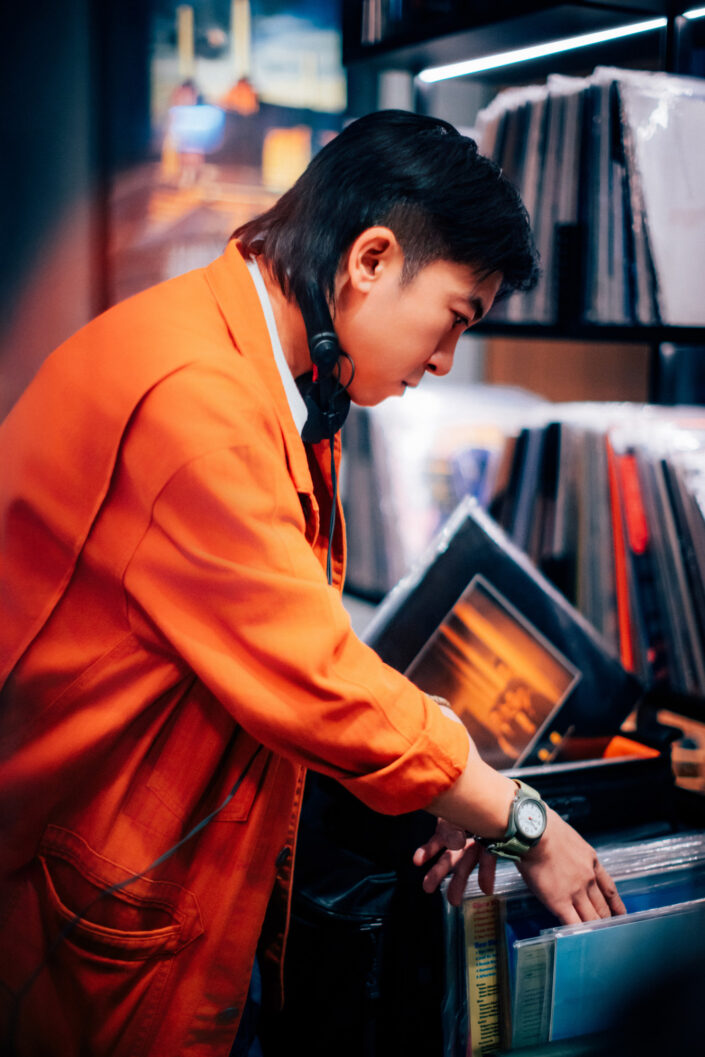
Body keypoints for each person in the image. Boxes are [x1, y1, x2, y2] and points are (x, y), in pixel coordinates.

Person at [0, 110, 625, 1057]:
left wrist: (449, 778)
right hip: (83, 904)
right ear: (370, 260)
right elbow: (313, 675)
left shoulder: (259, 363)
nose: (444, 361)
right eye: (455, 318)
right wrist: (522, 820)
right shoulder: (198, 403)